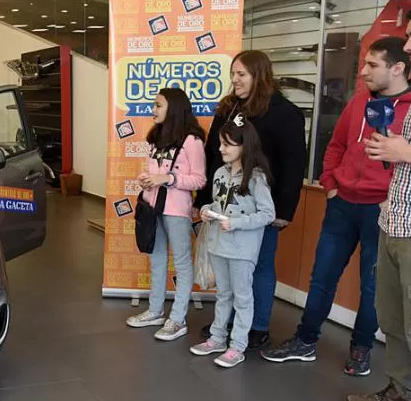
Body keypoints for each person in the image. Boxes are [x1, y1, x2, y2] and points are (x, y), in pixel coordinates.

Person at [263, 37, 411, 376]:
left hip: (383, 210)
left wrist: (392, 197)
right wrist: (330, 184)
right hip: (343, 204)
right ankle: (305, 340)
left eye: (372, 65)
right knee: (322, 276)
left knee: (373, 286)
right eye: (363, 64)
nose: (363, 72)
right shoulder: (358, 103)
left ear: (398, 68)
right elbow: (335, 146)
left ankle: (361, 349)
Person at [345, 0, 411, 401]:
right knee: (395, 321)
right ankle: (404, 394)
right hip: (395, 221)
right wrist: (396, 150)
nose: (410, 45)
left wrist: (406, 153)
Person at [195, 50, 307, 350]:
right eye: (233, 74)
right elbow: (212, 154)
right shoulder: (228, 108)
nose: (235, 80)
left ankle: (257, 326)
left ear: (259, 75)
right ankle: (228, 323)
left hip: (261, 207)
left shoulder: (284, 113)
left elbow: (293, 165)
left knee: (260, 266)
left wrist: (284, 210)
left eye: (241, 74)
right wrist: (203, 199)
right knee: (229, 269)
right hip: (224, 204)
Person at [191, 118, 276, 368]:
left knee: (242, 298)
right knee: (223, 294)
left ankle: (238, 345)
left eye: (227, 144)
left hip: (242, 250)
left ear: (244, 145)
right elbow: (219, 203)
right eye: (220, 143)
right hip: (218, 245)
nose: (221, 149)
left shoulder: (256, 178)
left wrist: (236, 223)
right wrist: (207, 210)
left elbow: (267, 214)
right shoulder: (219, 173)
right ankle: (217, 337)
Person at [125, 88, 207, 341]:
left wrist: (168, 178)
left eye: (158, 105)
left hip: (177, 210)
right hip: (152, 207)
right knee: (157, 259)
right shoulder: (156, 136)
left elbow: (199, 179)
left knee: (182, 263)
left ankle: (178, 319)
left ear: (174, 108)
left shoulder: (192, 140)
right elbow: (153, 170)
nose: (153, 110)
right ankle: (155, 311)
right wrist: (147, 179)